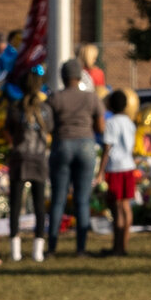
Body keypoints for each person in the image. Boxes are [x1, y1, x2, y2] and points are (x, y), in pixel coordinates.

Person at [47, 57, 104, 259]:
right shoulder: (91, 98)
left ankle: (51, 248)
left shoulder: (55, 98)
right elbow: (100, 128)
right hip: (86, 146)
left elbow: (49, 127)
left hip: (62, 144)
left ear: (63, 77)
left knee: (58, 200)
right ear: (80, 76)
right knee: (82, 200)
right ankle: (81, 248)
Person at [0, 72, 49, 265]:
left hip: (19, 159)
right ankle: (38, 251)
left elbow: (8, 132)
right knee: (39, 206)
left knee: (16, 206)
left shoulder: (14, 109)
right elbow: (49, 129)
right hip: (38, 159)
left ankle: (15, 251)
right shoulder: (45, 110)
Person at [100, 89, 138, 257]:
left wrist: (101, 171)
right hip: (129, 167)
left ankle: (117, 247)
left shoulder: (111, 123)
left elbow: (107, 148)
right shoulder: (130, 122)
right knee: (126, 206)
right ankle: (124, 244)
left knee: (117, 209)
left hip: (115, 168)